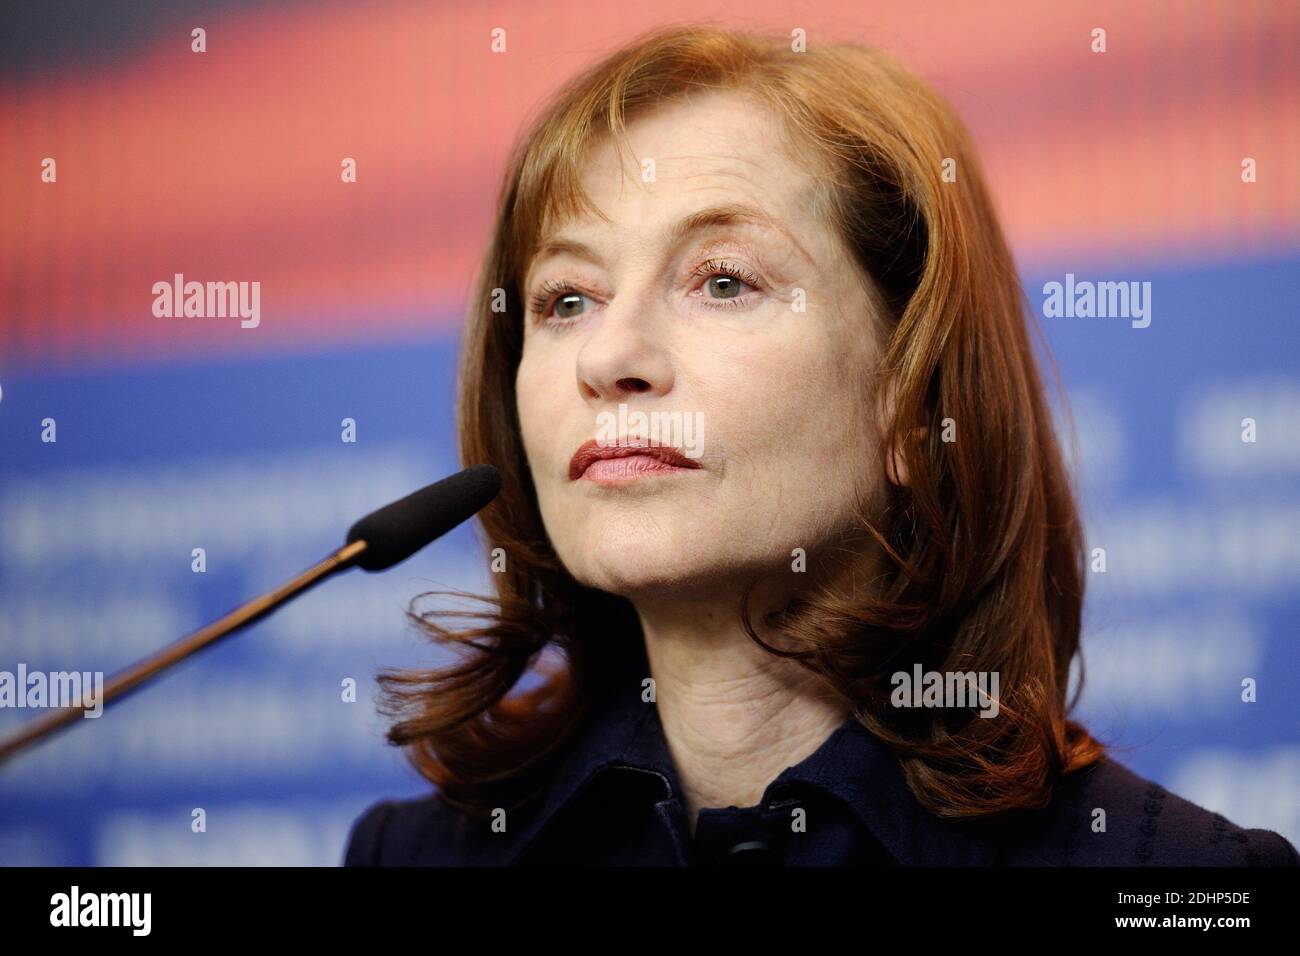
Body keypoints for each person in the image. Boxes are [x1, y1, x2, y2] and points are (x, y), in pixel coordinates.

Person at [344, 25, 1297, 866]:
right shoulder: (412, 857)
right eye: (566, 300)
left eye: (722, 281)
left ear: (911, 404)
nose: (610, 358)